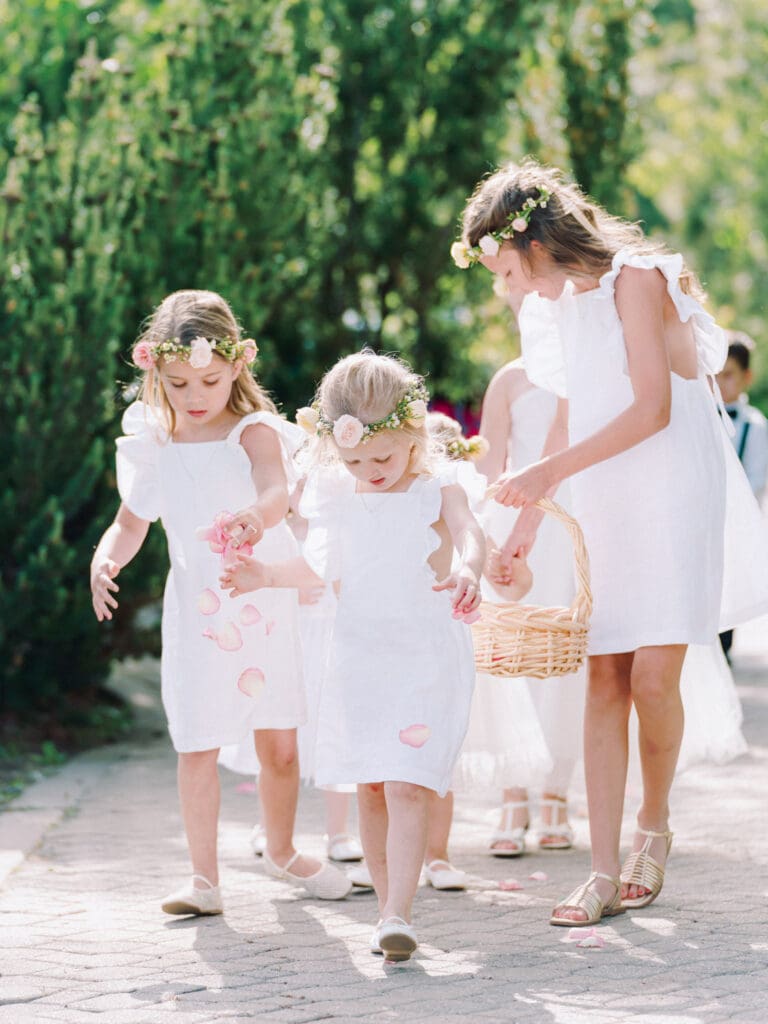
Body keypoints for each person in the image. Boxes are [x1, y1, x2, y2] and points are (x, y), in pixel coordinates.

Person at [452, 158, 768, 927]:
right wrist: (528, 522)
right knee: (603, 677)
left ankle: (652, 827)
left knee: (655, 679)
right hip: (601, 488)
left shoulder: (637, 278)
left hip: (669, 487)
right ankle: (598, 870)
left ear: (534, 242)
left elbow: (653, 408)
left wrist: (548, 469)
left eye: (504, 267)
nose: (507, 285)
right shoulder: (551, 310)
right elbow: (568, 417)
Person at [90, 290, 350, 916]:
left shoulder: (252, 431)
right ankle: (204, 880)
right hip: (196, 615)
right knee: (195, 743)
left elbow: (274, 493)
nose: (194, 394)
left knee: (279, 745)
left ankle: (283, 850)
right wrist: (105, 558)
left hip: (259, 598)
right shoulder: (155, 440)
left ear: (237, 365)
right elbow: (131, 521)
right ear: (156, 373)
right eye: (177, 383)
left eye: (208, 379)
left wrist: (253, 522)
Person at [219, 351, 485, 962]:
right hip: (360, 653)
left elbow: (472, 532)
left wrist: (469, 567)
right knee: (370, 785)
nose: (371, 470)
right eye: (356, 460)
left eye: (383, 458)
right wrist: (261, 573)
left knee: (408, 783)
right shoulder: (336, 495)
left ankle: (399, 911)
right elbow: (317, 567)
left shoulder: (437, 486)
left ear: (413, 435)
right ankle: (387, 907)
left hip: (422, 653)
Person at [453, 355, 586, 858]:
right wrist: (484, 534)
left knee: (569, 658)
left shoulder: (583, 362)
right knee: (514, 658)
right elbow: (490, 463)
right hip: (517, 522)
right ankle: (513, 794)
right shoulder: (508, 379)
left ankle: (556, 791)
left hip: (573, 517)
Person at [716, 331, 768, 659]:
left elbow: (755, 478)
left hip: (734, 523)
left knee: (728, 593)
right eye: (714, 375)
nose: (719, 383)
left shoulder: (755, 426)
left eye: (728, 375)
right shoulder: (702, 415)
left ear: (746, 377)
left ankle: (725, 655)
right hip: (702, 520)